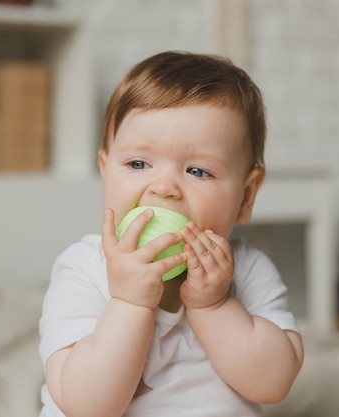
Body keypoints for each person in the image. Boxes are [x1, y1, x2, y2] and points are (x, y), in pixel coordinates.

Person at [38, 51, 303, 417]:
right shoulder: (84, 269)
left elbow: (273, 383)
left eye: (197, 171)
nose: (163, 188)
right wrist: (129, 303)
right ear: (105, 170)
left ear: (246, 196)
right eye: (138, 164)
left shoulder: (248, 270)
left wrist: (214, 305)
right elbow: (85, 405)